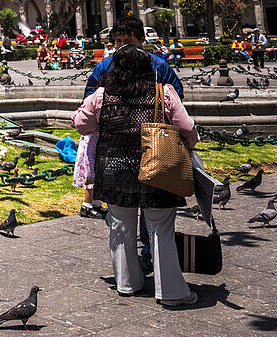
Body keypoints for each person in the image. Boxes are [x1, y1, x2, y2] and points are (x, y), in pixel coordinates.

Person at [72, 43, 199, 307]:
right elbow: (187, 127)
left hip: (115, 166)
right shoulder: (163, 92)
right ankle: (172, 292)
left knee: (120, 225)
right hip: (158, 167)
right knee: (161, 227)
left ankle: (127, 283)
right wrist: (189, 144)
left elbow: (83, 126)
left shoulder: (102, 95)